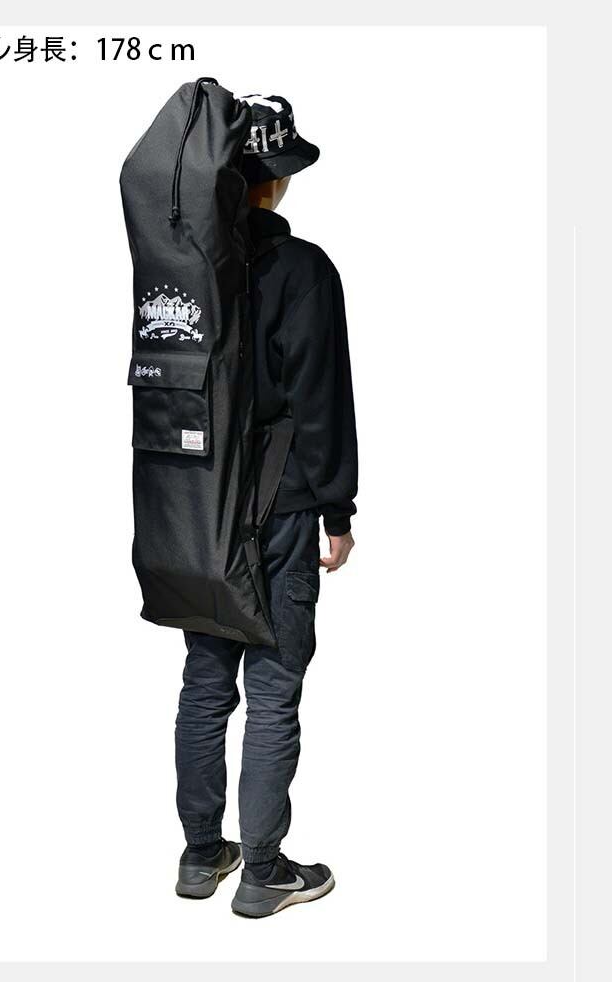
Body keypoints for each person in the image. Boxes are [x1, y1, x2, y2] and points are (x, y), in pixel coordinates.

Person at [173, 93, 358, 918]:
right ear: (275, 181)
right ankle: (263, 871)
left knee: (206, 683)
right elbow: (320, 397)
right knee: (274, 685)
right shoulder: (303, 269)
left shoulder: (184, 267)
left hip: (194, 506)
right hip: (280, 505)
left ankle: (200, 855)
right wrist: (337, 509)